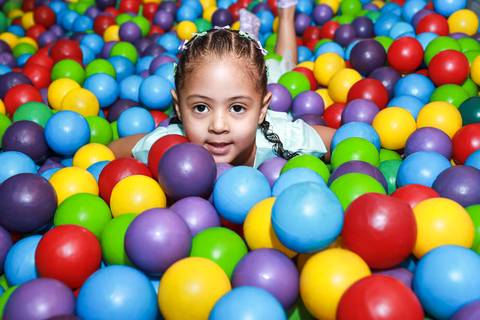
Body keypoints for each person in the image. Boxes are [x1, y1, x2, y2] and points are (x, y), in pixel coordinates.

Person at [109, 4, 335, 167]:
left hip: (262, 81)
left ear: (262, 109)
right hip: (244, 83)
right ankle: (248, 37)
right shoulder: (166, 148)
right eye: (200, 107)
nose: (218, 126)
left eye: (237, 108)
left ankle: (285, 13)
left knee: (283, 68)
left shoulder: (284, 138)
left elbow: (340, 140)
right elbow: (112, 150)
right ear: (178, 108)